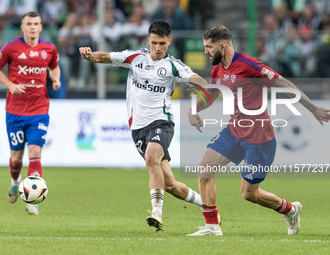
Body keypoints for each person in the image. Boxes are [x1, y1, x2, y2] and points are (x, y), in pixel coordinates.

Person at [186, 25, 330, 236]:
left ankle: (290, 209)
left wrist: (313, 109)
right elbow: (214, 94)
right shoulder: (218, 69)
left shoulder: (248, 65)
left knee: (249, 194)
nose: (205, 51)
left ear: (222, 46)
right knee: (204, 169)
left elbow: (284, 83)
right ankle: (212, 227)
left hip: (259, 137)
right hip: (234, 130)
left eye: (208, 47)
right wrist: (194, 108)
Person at [79, 20, 203, 232]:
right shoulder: (135, 58)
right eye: (154, 43)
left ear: (169, 42)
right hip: (138, 128)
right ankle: (208, 205)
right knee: (170, 185)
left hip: (162, 122)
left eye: (162, 44)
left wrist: (197, 91)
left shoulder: (174, 65)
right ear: (148, 40)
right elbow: (104, 57)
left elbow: (196, 78)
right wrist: (88, 55)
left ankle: (156, 213)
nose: (157, 48)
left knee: (150, 158)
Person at [0, 12, 61, 215]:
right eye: (28, 24)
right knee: (16, 157)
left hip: (39, 109)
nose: (32, 27)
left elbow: (54, 68)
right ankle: (15, 182)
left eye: (36, 24)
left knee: (35, 152)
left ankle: (33, 199)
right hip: (15, 111)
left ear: (40, 27)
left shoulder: (49, 48)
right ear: (22, 27)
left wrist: (55, 80)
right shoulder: (11, 48)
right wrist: (10, 85)